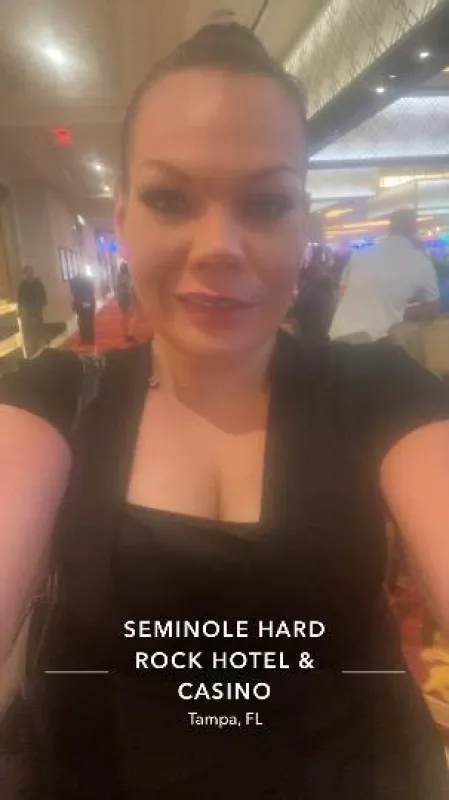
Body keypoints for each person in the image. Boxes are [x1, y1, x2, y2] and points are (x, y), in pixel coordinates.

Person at [0, 23, 448, 799]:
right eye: (170, 199)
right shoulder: (56, 398)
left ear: (303, 227)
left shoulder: (377, 389)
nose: (218, 246)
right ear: (122, 220)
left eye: (265, 203)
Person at [330, 210, 441, 342]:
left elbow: (342, 292)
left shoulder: (361, 253)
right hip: (375, 341)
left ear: (390, 228)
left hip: (339, 334)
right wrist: (402, 310)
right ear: (415, 229)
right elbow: (432, 309)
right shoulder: (421, 261)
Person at [17, 266, 47, 359]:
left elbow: (43, 294)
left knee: (37, 326)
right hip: (27, 308)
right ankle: (31, 348)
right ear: (25, 274)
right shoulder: (23, 285)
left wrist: (43, 305)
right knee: (28, 329)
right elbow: (20, 297)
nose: (29, 274)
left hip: (36, 308)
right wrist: (20, 308)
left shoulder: (37, 283)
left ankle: (38, 346)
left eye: (30, 272)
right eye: (27, 272)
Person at [69, 273, 96, 346]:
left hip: (81, 304)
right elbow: (92, 292)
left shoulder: (76, 285)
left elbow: (74, 295)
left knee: (82, 321)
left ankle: (84, 338)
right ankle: (90, 339)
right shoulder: (88, 283)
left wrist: (75, 306)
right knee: (89, 321)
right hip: (89, 303)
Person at [116, 262, 137, 342]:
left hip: (120, 298)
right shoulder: (128, 277)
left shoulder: (118, 277)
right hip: (127, 298)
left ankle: (124, 332)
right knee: (132, 315)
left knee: (123, 315)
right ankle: (129, 334)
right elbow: (130, 288)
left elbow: (116, 288)